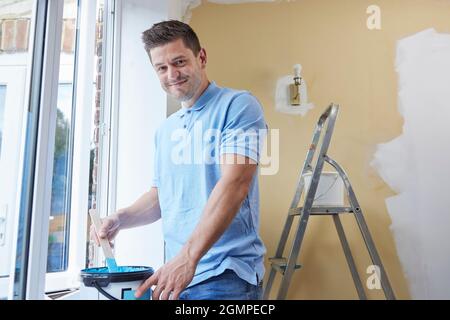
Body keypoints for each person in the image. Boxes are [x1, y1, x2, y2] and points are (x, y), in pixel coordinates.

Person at [91, 20, 267, 300]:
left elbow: (235, 183)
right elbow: (161, 196)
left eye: (179, 62)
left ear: (202, 57)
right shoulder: (166, 130)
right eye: (161, 68)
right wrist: (121, 219)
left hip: (224, 277)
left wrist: (187, 258)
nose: (171, 74)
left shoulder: (238, 106)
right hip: (177, 279)